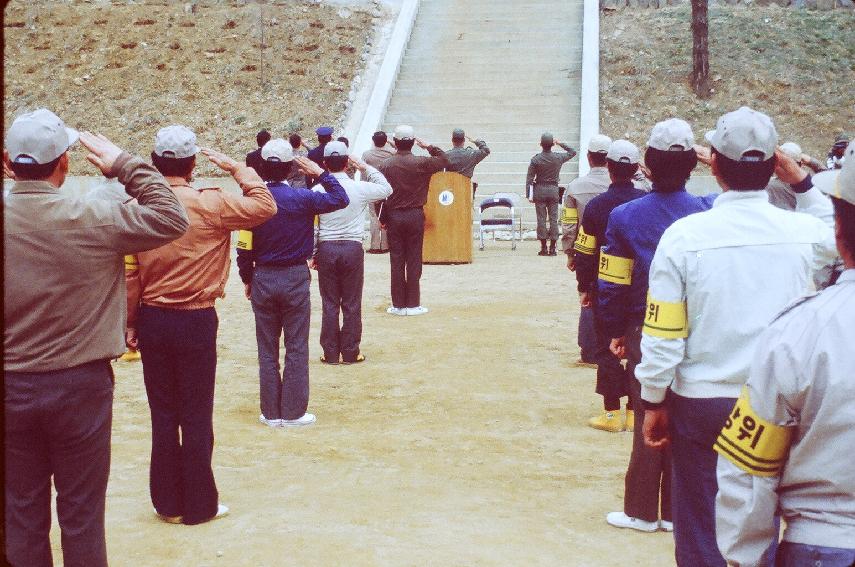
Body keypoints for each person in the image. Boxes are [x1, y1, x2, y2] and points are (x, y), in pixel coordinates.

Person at [636, 107, 837, 567]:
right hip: (789, 403)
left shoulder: (684, 237)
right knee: (785, 518)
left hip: (706, 401)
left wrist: (653, 398)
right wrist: (803, 185)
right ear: (774, 166)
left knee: (704, 522)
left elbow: (665, 332)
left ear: (715, 166)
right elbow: (840, 232)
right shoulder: (807, 233)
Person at [4, 109, 189, 566]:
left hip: (9, 385)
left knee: (21, 514)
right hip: (79, 386)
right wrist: (124, 163)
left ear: (8, 161)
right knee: (82, 515)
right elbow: (171, 218)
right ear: (65, 161)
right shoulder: (94, 215)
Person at [125, 125, 276, 526]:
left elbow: (130, 274)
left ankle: (167, 501)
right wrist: (237, 169)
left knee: (163, 413)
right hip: (195, 318)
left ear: (156, 161)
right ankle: (199, 502)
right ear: (193, 163)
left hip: (152, 317)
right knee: (195, 412)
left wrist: (130, 321)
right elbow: (264, 205)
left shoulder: (141, 204)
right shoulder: (212, 203)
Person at [715, 143, 855, 567]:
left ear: (839, 231)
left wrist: (745, 558)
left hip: (824, 541)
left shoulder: (799, 331)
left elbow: (749, 471)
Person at [597, 119, 716, 533]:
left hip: (642, 325)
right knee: (685, 415)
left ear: (647, 163)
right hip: (696, 328)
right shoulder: (707, 209)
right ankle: (675, 510)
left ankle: (642, 509)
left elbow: (612, 281)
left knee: (647, 408)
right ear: (692, 166)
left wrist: (613, 331)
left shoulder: (624, 216)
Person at [236, 138, 349, 427]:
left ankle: (270, 411)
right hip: (295, 276)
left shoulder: (253, 202)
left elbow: (243, 248)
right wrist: (320, 173)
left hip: (263, 275)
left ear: (260, 166)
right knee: (297, 346)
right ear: (291, 169)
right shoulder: (303, 198)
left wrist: (248, 278)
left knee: (267, 347)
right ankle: (294, 411)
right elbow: (340, 198)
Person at [574, 140, 646, 432]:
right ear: (634, 169)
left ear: (610, 168)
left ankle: (611, 413)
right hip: (641, 288)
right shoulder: (645, 202)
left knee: (606, 349)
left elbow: (585, 250)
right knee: (637, 350)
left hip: (606, 286)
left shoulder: (596, 206)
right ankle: (633, 411)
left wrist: (585, 286)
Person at [313, 141, 393, 364]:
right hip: (352, 248)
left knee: (329, 302)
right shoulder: (359, 188)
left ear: (325, 164)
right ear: (348, 163)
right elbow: (387, 188)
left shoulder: (318, 190)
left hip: (327, 248)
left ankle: (330, 352)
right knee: (351, 302)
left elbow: (314, 226)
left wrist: (314, 252)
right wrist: (364, 167)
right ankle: (350, 351)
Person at [377, 125, 450, 316]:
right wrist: (428, 146)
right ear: (412, 142)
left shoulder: (385, 165)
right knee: (414, 259)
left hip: (393, 215)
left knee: (397, 260)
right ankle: (413, 303)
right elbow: (444, 160)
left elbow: (380, 195)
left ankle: (398, 305)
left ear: (395, 141)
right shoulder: (421, 162)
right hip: (415, 215)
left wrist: (382, 218)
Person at [561, 133, 612, 365]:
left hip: (587, 251)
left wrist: (570, 253)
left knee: (588, 297)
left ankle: (590, 349)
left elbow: (569, 224)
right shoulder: (624, 185)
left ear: (589, 157)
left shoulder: (574, 188)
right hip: (620, 251)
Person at [526, 132, 577, 256]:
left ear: (540, 144)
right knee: (554, 219)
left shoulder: (536, 159)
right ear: (552, 144)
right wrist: (560, 144)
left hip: (539, 190)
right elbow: (573, 152)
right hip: (553, 190)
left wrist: (529, 194)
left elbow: (529, 178)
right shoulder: (558, 158)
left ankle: (543, 247)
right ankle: (553, 248)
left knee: (541, 219)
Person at [765, 141, 825, 211]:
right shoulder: (812, 184)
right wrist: (811, 161)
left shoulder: (767, 185)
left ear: (776, 165)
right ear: (801, 163)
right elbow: (831, 180)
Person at [362, 130, 395, 253]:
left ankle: (375, 245)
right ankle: (386, 245)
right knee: (387, 215)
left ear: (373, 140)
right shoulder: (392, 154)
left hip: (372, 188)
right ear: (385, 141)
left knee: (374, 216)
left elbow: (363, 173)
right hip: (387, 188)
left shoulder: (367, 155)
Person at [444, 128, 490, 198]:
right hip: (466, 190)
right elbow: (486, 150)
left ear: (452, 140)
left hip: (450, 191)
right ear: (464, 140)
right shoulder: (471, 154)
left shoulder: (446, 155)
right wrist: (476, 141)